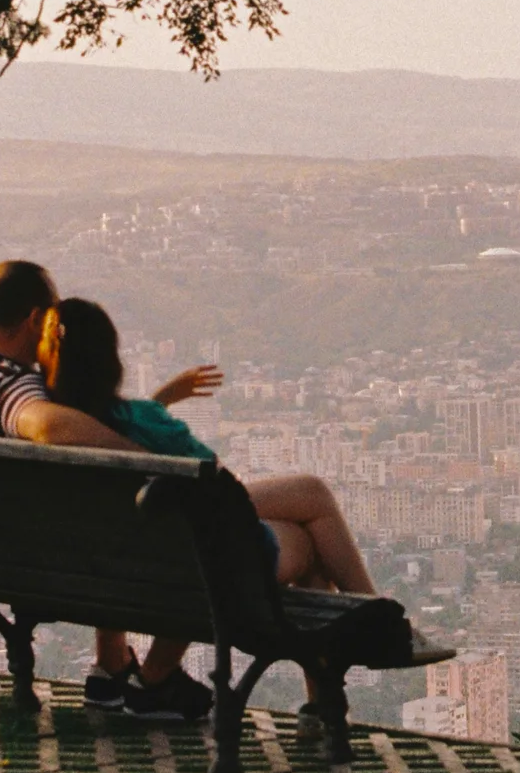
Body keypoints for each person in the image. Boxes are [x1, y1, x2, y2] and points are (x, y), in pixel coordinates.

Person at [24, 301, 386, 712]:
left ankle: (330, 693)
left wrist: (160, 402)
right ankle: (375, 629)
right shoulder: (140, 422)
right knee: (314, 518)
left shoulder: (48, 426)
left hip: (122, 572)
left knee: (307, 509)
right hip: (210, 568)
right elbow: (213, 481)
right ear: (110, 360)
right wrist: (157, 412)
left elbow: (131, 445)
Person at [0, 259, 201, 722]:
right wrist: (142, 455)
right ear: (36, 319)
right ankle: (145, 676)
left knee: (91, 504)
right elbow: (44, 423)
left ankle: (112, 666)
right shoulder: (13, 385)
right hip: (30, 564)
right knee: (149, 522)